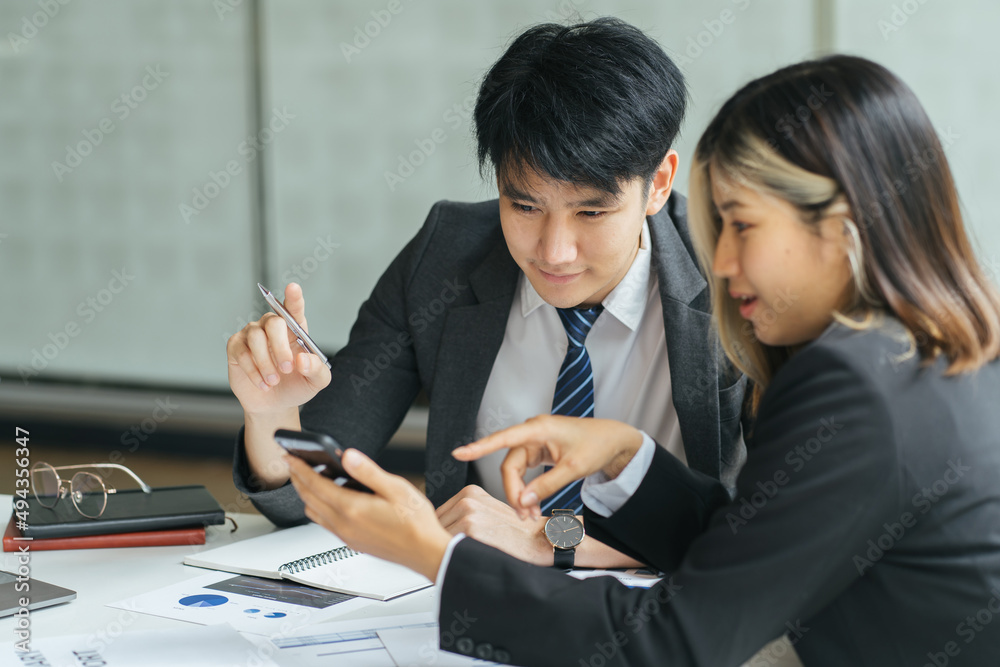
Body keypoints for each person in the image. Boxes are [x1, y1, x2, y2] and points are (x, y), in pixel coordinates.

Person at [284, 54, 1000, 666]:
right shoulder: (919, 351)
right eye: (524, 204)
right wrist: (631, 459)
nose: (721, 260)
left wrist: (439, 560)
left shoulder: (846, 379)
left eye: (741, 227)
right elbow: (756, 540)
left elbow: (678, 640)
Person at [227, 18, 749, 569]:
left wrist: (555, 544)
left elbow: (778, 527)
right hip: (476, 607)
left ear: (659, 183)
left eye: (591, 212)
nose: (554, 251)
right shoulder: (446, 257)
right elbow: (308, 494)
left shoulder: (734, 278)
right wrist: (273, 413)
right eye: (523, 206)